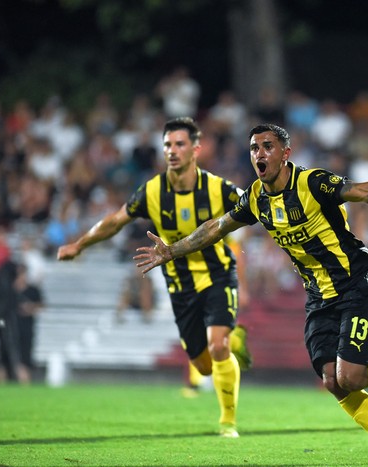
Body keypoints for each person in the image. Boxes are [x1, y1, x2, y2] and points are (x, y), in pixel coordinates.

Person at [134, 123, 368, 464]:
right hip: (318, 299)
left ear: (285, 153)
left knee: (351, 377)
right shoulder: (255, 198)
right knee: (332, 381)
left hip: (353, 286)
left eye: (267, 146)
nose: (259, 154)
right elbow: (217, 227)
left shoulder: (312, 183)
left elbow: (365, 191)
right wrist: (172, 250)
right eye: (253, 148)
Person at [57, 117, 251, 438]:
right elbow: (115, 221)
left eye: (179, 144)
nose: (172, 151)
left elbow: (258, 204)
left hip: (218, 275)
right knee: (203, 366)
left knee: (219, 347)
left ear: (196, 149)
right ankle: (237, 341)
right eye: (167, 145)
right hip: (180, 285)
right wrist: (80, 244)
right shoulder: (152, 191)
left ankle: (227, 421)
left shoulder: (218, 188)